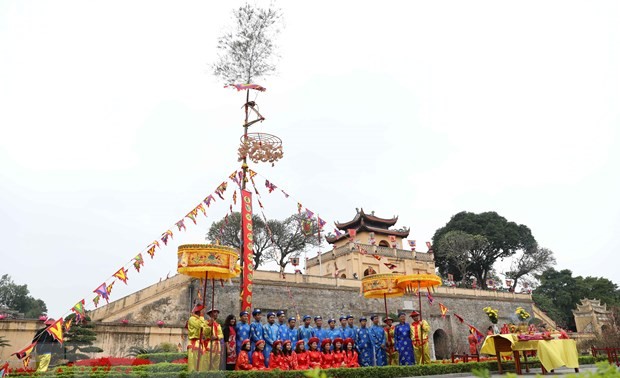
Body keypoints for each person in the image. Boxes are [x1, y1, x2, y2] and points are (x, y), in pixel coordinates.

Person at [187, 305, 208, 372]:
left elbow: (204, 329)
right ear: (198, 312)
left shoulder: (200, 319)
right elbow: (200, 325)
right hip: (194, 343)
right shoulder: (192, 318)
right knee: (193, 364)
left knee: (202, 363)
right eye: (202, 311)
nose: (203, 313)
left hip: (200, 343)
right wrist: (202, 317)